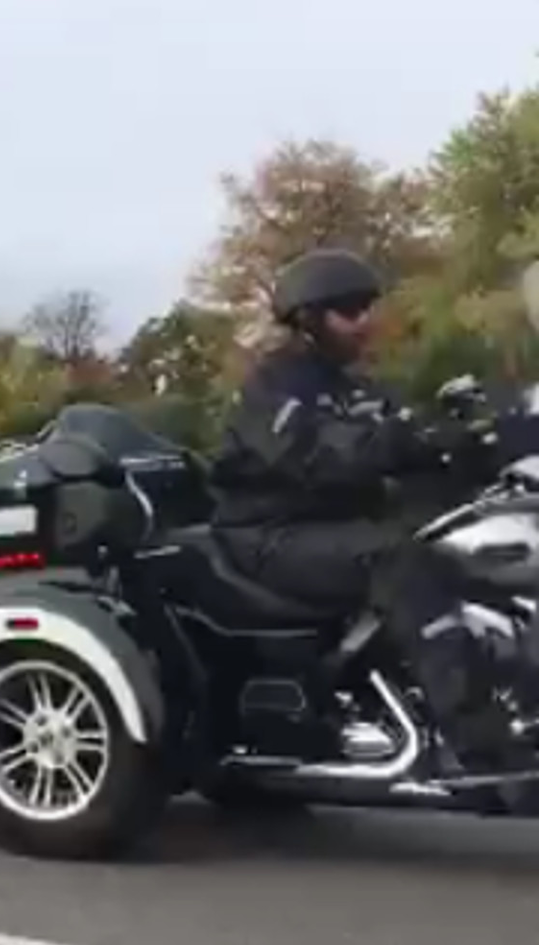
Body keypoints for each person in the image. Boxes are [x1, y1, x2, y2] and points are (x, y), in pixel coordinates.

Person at [207, 247, 536, 781]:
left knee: (467, 538)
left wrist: (487, 439)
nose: (365, 320)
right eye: (349, 310)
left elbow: (407, 443)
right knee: (402, 560)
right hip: (272, 535)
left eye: (367, 307)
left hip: (339, 527)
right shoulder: (274, 387)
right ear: (309, 319)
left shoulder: (353, 384)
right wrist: (412, 438)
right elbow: (324, 455)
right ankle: (484, 751)